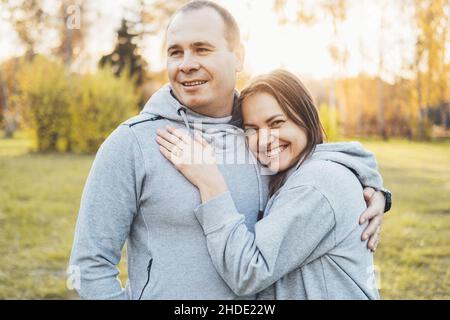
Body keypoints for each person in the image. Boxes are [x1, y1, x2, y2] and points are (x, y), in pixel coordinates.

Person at [69, 1, 389, 300]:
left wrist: (373, 192)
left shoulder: (261, 136)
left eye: (202, 49)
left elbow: (322, 168)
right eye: (175, 53)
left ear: (238, 56)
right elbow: (91, 264)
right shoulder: (132, 143)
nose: (187, 64)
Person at [156, 69, 383, 299]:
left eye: (276, 123)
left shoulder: (315, 185)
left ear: (306, 118)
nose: (264, 140)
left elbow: (247, 272)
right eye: (252, 129)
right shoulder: (301, 171)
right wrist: (378, 190)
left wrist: (210, 182)